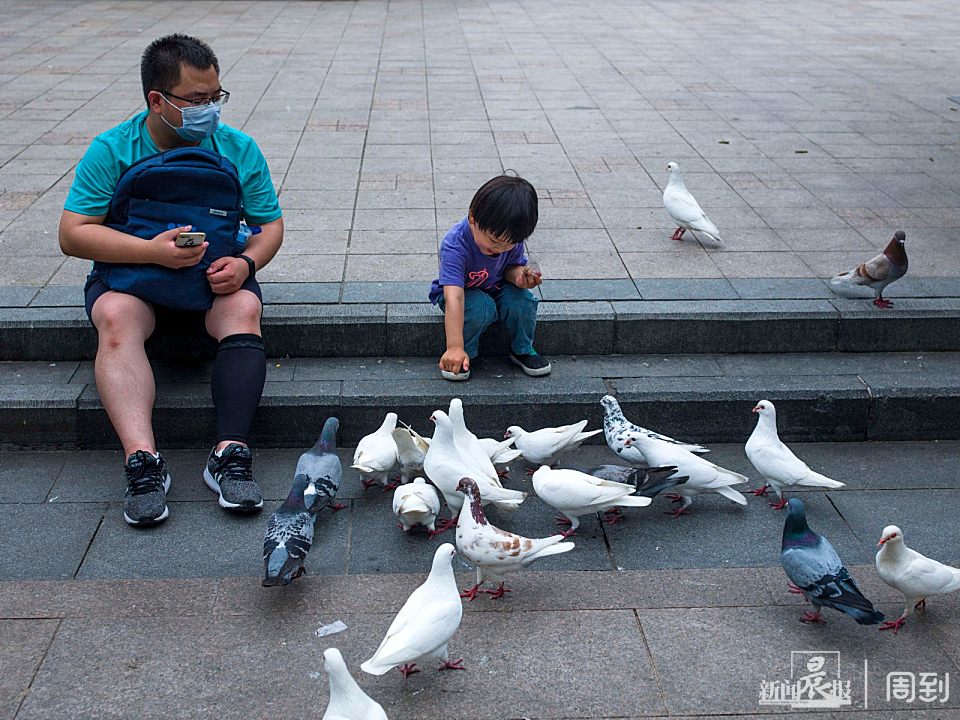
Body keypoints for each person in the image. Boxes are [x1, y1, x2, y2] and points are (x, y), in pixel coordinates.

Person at [58, 34, 283, 527]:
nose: (210, 110)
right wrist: (151, 252)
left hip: (212, 283)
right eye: (197, 100)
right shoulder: (113, 149)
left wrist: (246, 266)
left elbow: (270, 227)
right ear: (157, 101)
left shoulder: (238, 148)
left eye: (216, 97)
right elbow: (72, 234)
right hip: (134, 283)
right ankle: (143, 463)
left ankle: (229, 454)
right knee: (114, 314)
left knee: (245, 308)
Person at [429, 174, 551, 381]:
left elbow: (510, 268)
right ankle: (463, 354)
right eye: (494, 241)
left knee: (523, 300)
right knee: (481, 307)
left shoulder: (509, 238)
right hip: (461, 293)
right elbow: (454, 296)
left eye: (509, 244)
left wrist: (519, 277)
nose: (500, 248)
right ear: (473, 218)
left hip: (495, 286)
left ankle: (522, 349)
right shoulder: (455, 244)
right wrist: (454, 346)